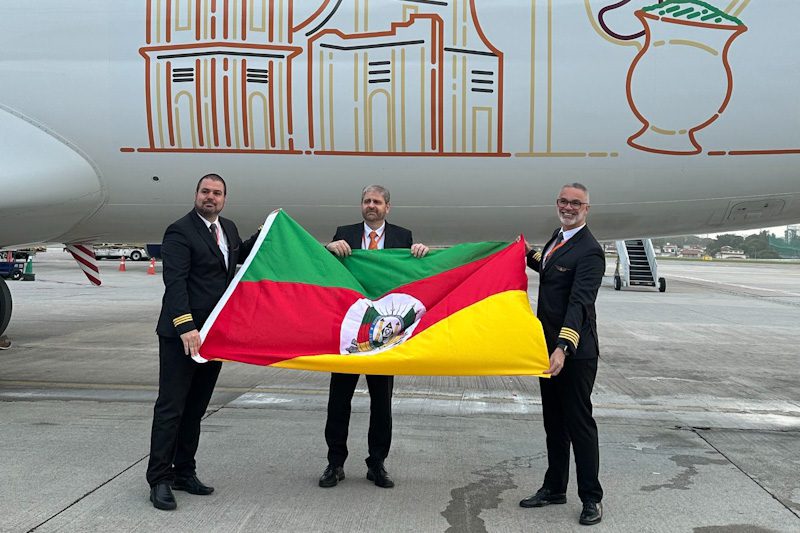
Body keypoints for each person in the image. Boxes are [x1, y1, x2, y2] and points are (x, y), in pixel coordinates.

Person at [147, 173, 257, 510]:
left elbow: (242, 254)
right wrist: (186, 327)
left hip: (213, 335)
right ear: (196, 194)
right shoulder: (180, 231)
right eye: (205, 192)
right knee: (171, 408)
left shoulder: (229, 229)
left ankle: (184, 471)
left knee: (195, 408)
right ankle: (160, 479)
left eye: (217, 193)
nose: (210, 197)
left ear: (225, 198)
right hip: (184, 336)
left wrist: (272, 230)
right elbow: (175, 282)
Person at [319, 185, 429, 489]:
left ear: (387, 207)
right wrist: (329, 249)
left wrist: (420, 254)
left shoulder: (402, 236)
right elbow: (327, 271)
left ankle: (377, 463)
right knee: (338, 401)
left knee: (382, 403)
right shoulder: (345, 232)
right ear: (361, 205)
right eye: (367, 201)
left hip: (385, 334)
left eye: (377, 202)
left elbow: (411, 278)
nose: (371, 206)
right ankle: (335, 463)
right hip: (351, 332)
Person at [520, 183, 605, 526]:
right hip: (548, 351)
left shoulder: (590, 251)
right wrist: (526, 252)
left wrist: (563, 347)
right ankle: (555, 487)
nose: (569, 207)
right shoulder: (559, 236)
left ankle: (591, 499)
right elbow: (549, 266)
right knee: (553, 424)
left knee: (579, 424)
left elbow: (580, 304)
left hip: (574, 353)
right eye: (564, 202)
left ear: (587, 208)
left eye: (576, 203)